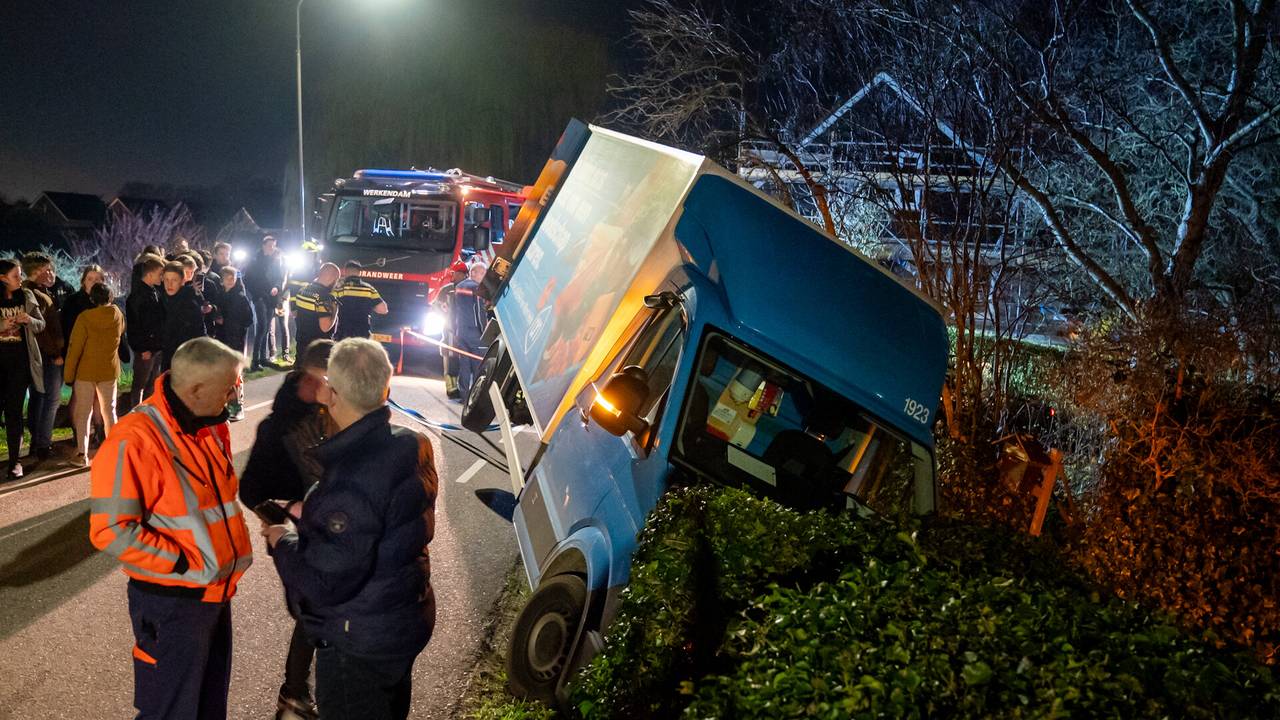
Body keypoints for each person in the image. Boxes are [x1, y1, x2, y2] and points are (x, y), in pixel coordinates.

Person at [265, 338, 436, 720]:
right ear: (385, 388)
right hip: (403, 618)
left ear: (333, 394)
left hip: (358, 639)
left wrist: (283, 541)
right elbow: (381, 522)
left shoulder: (351, 476)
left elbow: (326, 581)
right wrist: (313, 512)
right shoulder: (411, 445)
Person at [89, 337, 253, 719]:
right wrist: (182, 562)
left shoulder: (209, 424)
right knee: (170, 712)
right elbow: (110, 529)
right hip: (172, 604)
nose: (235, 395)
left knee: (207, 709)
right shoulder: (134, 439)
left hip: (213, 596)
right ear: (196, 389)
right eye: (229, 387)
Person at [240, 339, 335, 720]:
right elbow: (249, 490)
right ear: (310, 377)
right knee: (313, 611)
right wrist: (281, 520)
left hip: (332, 528)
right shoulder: (277, 428)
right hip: (296, 534)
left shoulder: (332, 414)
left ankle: (298, 695)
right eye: (329, 379)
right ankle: (295, 696)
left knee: (319, 611)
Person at [64, 282, 125, 466]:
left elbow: (75, 348)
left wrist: (68, 375)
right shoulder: (117, 314)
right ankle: (115, 451)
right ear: (110, 297)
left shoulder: (85, 318)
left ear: (92, 299)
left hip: (86, 371)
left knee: (84, 412)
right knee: (109, 411)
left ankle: (82, 454)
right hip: (108, 369)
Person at [0, 259, 46, 480]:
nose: (20, 279)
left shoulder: (26, 296)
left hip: (19, 365)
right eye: (15, 276)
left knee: (15, 414)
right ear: (2, 278)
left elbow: (41, 324)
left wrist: (28, 319)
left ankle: (14, 462)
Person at [21, 252, 66, 465]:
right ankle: (43, 445)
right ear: (36, 271)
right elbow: (41, 330)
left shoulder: (38, 292)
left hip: (41, 356)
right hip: (47, 357)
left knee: (39, 399)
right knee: (50, 400)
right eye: (47, 269)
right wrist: (55, 354)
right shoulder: (34, 294)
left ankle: (38, 442)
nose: (51, 273)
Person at [126, 254, 167, 408]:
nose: (162, 278)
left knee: (151, 383)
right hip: (146, 349)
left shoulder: (154, 292)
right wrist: (142, 348)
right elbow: (135, 325)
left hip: (155, 347)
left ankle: (148, 413)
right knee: (140, 384)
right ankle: (136, 413)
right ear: (150, 274)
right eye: (160, 274)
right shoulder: (137, 296)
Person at [216, 266, 255, 422]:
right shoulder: (220, 296)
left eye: (233, 278)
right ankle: (225, 406)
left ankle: (237, 408)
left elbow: (248, 319)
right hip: (222, 339)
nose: (230, 280)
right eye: (227, 278)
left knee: (235, 376)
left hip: (235, 340)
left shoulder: (240, 297)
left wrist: (229, 323)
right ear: (222, 280)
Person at [245, 235, 286, 371]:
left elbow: (279, 278)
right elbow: (249, 279)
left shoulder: (276, 260)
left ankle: (263, 358)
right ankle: (255, 361)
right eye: (269, 245)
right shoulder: (255, 260)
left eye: (273, 245)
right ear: (263, 246)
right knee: (262, 327)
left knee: (266, 328)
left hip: (271, 298)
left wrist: (276, 287)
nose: (272, 248)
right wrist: (257, 295)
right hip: (260, 297)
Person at [161, 261, 208, 372]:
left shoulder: (189, 303)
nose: (169, 284)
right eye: (166, 280)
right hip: (169, 356)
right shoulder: (163, 299)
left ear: (182, 281)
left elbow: (199, 332)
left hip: (187, 358)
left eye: (174, 280)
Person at [451, 261, 489, 400]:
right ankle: (475, 398)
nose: (485, 276)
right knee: (478, 366)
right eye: (483, 273)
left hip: (461, 331)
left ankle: (464, 396)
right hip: (475, 333)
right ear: (474, 272)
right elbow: (480, 313)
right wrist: (485, 331)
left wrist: (455, 330)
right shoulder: (478, 288)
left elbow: (455, 311)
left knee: (464, 365)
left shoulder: (459, 286)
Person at [291, 263, 339, 368]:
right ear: (333, 278)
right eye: (337, 280)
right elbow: (325, 327)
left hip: (301, 347)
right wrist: (335, 311)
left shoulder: (302, 290)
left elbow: (295, 313)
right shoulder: (325, 298)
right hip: (318, 352)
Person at [432, 260, 469, 400]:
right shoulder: (446, 290)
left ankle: (461, 387)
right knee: (449, 356)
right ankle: (451, 388)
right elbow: (435, 305)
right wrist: (443, 315)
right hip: (449, 330)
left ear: (462, 274)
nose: (452, 276)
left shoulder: (468, 288)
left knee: (462, 359)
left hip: (464, 331)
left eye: (454, 273)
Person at [332, 260, 388, 341]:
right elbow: (383, 310)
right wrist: (369, 305)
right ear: (360, 272)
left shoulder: (339, 288)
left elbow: (329, 306)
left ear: (345, 271)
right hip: (362, 336)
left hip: (343, 335)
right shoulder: (369, 289)